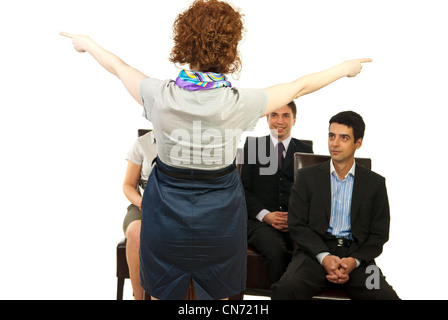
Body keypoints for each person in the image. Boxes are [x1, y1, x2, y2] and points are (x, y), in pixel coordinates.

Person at [60, 0, 371, 300]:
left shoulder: (158, 94)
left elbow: (117, 66)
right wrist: (344, 68)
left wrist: (87, 44)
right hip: (219, 219)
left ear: (184, 43)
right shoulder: (240, 103)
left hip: (165, 216)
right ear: (230, 48)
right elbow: (299, 86)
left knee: (163, 292)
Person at [271, 111, 399, 300]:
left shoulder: (375, 184)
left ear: (358, 143)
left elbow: (379, 234)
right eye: (332, 136)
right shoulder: (307, 177)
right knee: (285, 289)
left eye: (344, 138)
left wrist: (353, 261)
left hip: (359, 261)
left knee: (386, 297)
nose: (335, 143)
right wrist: (323, 256)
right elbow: (297, 224)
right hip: (312, 255)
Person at [240, 101, 313, 285]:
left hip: (294, 222)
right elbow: (242, 190)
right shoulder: (253, 146)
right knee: (277, 250)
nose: (279, 121)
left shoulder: (305, 150)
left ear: (294, 120)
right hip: (260, 222)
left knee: (309, 251)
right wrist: (266, 216)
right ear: (267, 118)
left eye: (286, 116)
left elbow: (311, 194)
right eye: (274, 115)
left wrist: (294, 218)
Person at [122, 130, 157, 300]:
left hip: (177, 208)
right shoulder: (142, 143)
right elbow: (128, 185)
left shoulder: (188, 141)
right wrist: (141, 203)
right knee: (136, 231)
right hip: (143, 205)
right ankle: (139, 297)